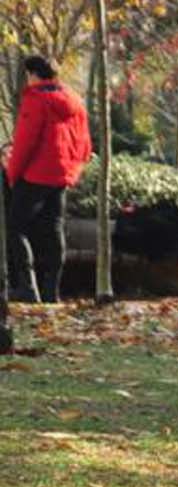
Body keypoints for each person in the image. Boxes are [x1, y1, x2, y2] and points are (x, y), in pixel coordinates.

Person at [5, 55, 93, 303]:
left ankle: (27, 287)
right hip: (61, 175)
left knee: (15, 227)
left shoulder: (36, 100)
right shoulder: (74, 100)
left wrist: (12, 173)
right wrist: (74, 167)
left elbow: (24, 143)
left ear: (33, 75)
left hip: (35, 174)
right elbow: (85, 142)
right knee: (53, 229)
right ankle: (51, 290)